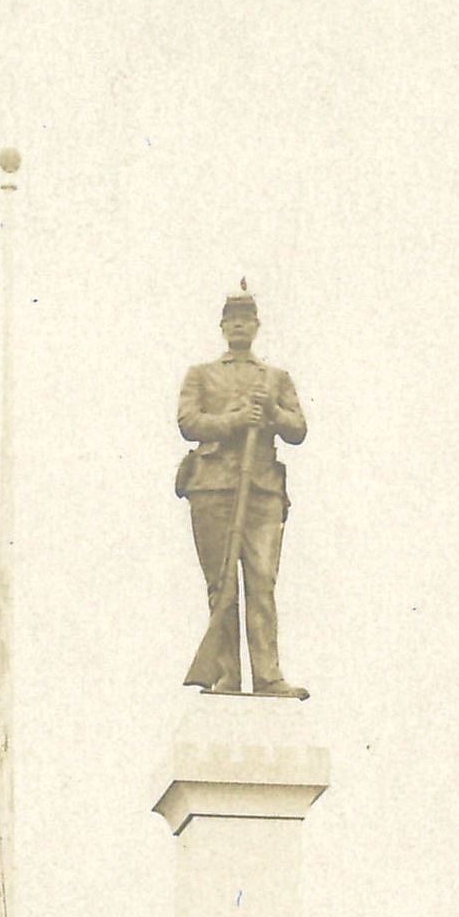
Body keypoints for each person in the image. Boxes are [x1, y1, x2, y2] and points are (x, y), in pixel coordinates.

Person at [177, 287, 308, 698]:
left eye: (245, 318)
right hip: (213, 487)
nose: (238, 324)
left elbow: (298, 429)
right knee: (222, 585)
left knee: (262, 583)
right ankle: (226, 675)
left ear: (256, 325)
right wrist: (232, 420)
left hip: (262, 490)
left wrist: (270, 412)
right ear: (221, 326)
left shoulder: (275, 379)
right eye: (231, 318)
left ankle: (268, 676)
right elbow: (188, 421)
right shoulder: (200, 374)